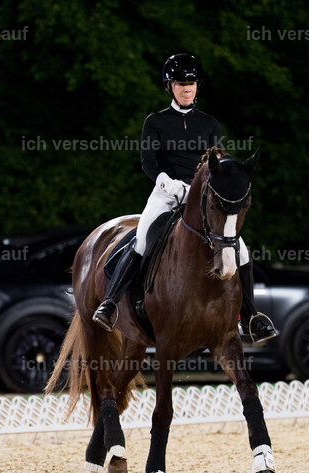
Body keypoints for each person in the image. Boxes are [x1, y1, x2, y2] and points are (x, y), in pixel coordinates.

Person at [92, 52, 278, 343]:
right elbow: (148, 161)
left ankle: (251, 316)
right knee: (142, 239)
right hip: (166, 192)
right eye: (181, 84)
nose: (187, 89)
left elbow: (216, 160)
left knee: (240, 250)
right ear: (170, 87)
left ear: (197, 86)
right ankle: (110, 303)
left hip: (201, 194)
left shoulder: (209, 123)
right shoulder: (156, 121)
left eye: (191, 83)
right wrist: (164, 180)